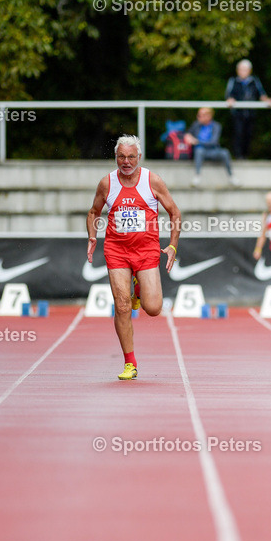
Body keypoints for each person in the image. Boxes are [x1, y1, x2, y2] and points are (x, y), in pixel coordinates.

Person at [86, 135, 182, 380]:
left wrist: (172, 245)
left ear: (139, 157)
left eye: (130, 157)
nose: (126, 162)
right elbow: (94, 211)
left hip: (147, 250)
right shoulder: (107, 183)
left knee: (153, 308)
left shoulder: (152, 181)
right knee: (122, 305)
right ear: (115, 157)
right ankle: (130, 362)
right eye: (121, 157)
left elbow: (174, 212)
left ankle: (138, 289)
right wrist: (92, 236)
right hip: (116, 250)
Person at [224, 59, 271, 159]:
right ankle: (238, 156)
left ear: (249, 70)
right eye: (241, 69)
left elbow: (261, 94)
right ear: (237, 70)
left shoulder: (254, 81)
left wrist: (267, 100)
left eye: (245, 69)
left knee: (249, 135)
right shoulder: (233, 81)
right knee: (238, 133)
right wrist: (230, 100)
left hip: (251, 113)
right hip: (238, 113)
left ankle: (245, 156)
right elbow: (229, 95)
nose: (243, 72)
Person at [185, 107, 239, 187]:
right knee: (199, 151)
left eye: (201, 115)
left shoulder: (216, 126)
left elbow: (214, 142)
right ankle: (197, 177)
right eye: (198, 115)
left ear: (208, 116)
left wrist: (197, 141)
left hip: (213, 151)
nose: (198, 117)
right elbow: (188, 134)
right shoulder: (196, 125)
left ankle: (232, 177)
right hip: (200, 152)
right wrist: (188, 136)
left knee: (225, 152)